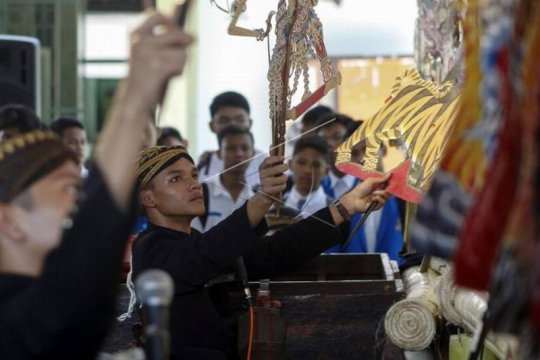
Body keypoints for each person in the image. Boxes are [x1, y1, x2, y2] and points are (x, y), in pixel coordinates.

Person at [0, 6, 193, 359]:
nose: (82, 201)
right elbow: (94, 232)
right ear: (10, 220)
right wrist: (135, 93)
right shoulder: (18, 319)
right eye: (68, 189)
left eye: (81, 187)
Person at [131, 144, 390, 359]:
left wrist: (346, 206)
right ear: (149, 198)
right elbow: (202, 256)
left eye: (194, 175)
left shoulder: (196, 241)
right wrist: (264, 197)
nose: (194, 184)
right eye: (177, 178)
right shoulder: (150, 247)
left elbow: (274, 251)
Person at [192, 125, 255, 232]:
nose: (239, 154)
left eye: (244, 148)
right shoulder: (201, 193)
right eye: (231, 148)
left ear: (253, 154)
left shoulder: (255, 198)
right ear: (220, 154)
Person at [197, 91, 265, 189]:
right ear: (212, 126)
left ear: (249, 123)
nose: (232, 125)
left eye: (239, 120)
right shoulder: (203, 167)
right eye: (224, 121)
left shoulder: (267, 163)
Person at [281, 135, 333, 218]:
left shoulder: (334, 211)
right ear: (290, 164)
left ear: (326, 171)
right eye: (301, 162)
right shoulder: (275, 206)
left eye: (316, 165)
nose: (307, 170)